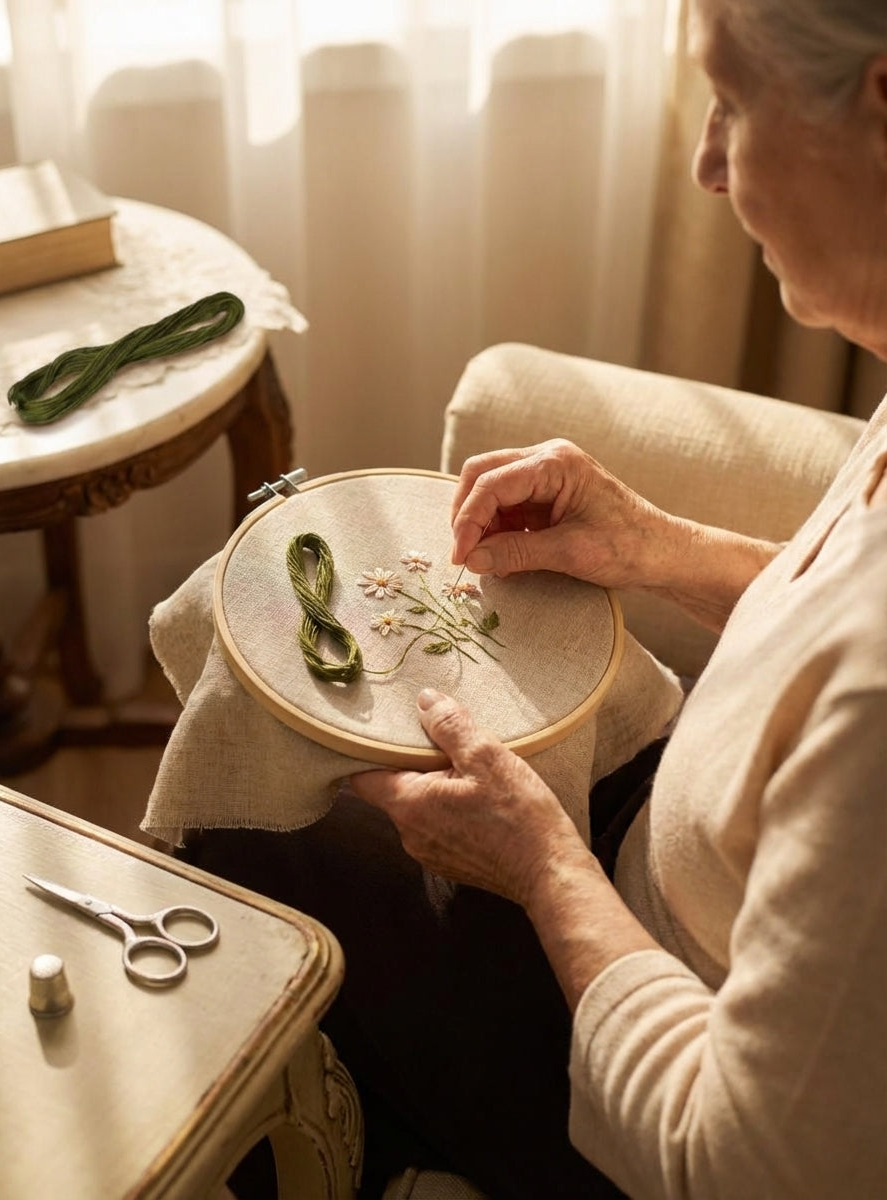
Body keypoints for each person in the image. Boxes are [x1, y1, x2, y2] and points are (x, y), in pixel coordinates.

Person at [189, 1, 887, 1197]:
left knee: (249, 834)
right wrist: (655, 546)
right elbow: (836, 623)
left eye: (729, 102)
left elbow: (739, 1166)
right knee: (287, 716)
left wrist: (541, 865)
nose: (705, 167)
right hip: (673, 865)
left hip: (638, 1088)